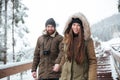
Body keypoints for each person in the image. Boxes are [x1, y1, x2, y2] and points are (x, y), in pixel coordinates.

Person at [57, 12, 97, 80]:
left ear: (82, 27)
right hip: (65, 77)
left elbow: (92, 61)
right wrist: (59, 67)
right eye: (74, 24)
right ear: (70, 25)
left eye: (78, 25)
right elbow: (64, 57)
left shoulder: (87, 41)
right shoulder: (67, 39)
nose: (75, 27)